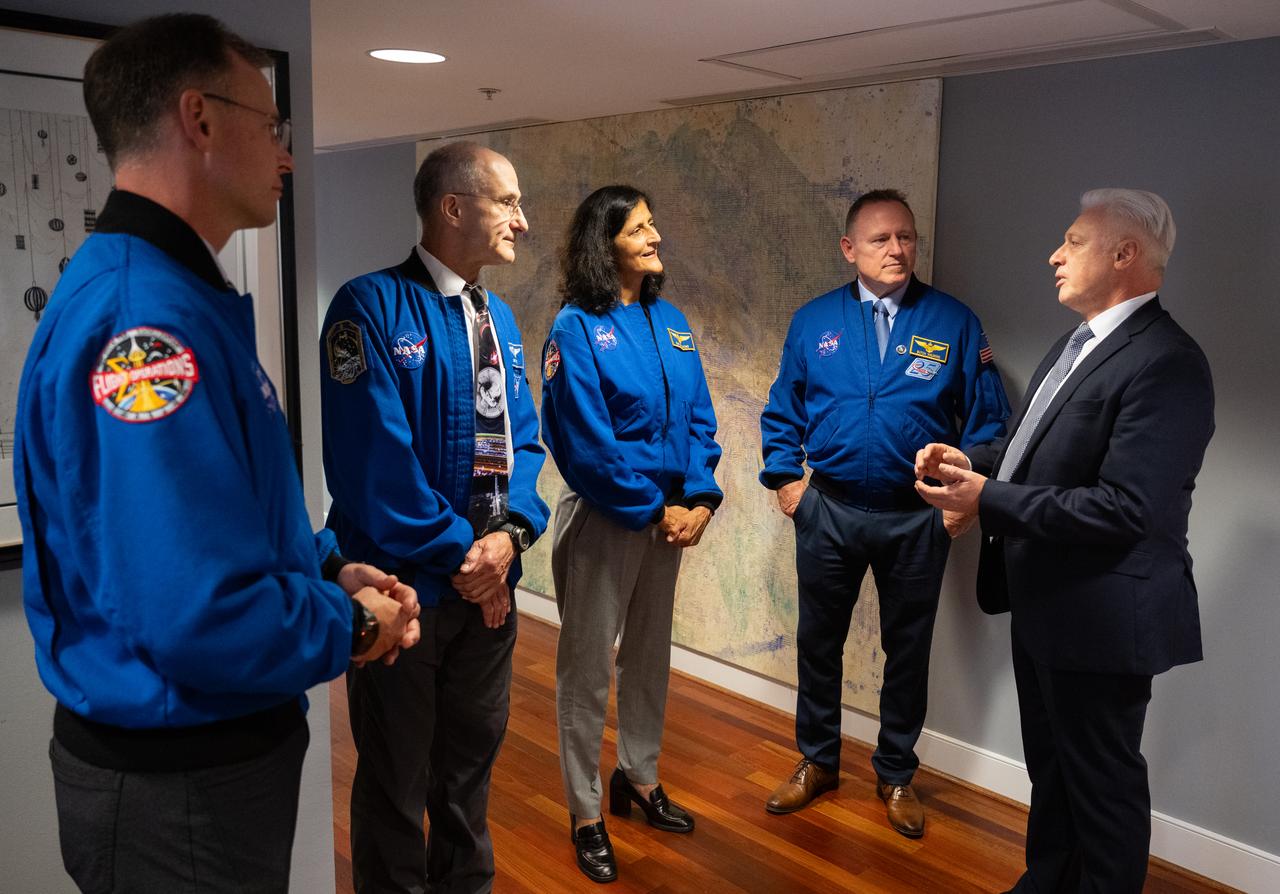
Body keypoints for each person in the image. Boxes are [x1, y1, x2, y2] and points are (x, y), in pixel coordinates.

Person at [12, 14, 420, 893]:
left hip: (200, 774)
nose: (287, 154)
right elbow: (194, 609)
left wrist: (328, 572)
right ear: (198, 120)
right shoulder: (146, 328)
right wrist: (349, 627)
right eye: (271, 125)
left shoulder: (176, 296)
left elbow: (227, 520)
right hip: (178, 794)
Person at [915, 189, 1214, 893]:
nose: (1054, 254)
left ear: (1124, 254)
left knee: (1102, 791)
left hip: (1104, 620)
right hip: (1047, 604)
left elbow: (1126, 510)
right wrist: (974, 463)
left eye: (1074, 241)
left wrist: (987, 498)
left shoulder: (1168, 362)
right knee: (1052, 773)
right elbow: (1032, 450)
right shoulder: (1078, 342)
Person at [320, 141, 550, 893]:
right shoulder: (368, 307)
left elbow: (527, 441)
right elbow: (376, 470)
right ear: (454, 208)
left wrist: (510, 542)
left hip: (487, 602)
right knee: (394, 786)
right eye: (507, 201)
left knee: (466, 784)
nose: (523, 218)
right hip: (405, 597)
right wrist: (468, 558)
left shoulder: (502, 321)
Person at [758, 189, 1010, 837]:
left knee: (908, 651)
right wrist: (789, 487)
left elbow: (990, 425)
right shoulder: (814, 322)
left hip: (915, 519)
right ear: (850, 249)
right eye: (880, 239)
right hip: (830, 512)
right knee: (819, 645)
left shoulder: (954, 322)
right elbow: (782, 411)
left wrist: (963, 501)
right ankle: (817, 761)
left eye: (906, 237)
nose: (897, 250)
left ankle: (896, 772)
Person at [539, 185, 723, 883]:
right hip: (610, 519)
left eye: (653, 223)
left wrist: (699, 499)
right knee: (585, 673)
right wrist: (654, 508)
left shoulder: (670, 321)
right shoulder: (575, 330)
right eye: (641, 227)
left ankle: (637, 779)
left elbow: (702, 418)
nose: (655, 235)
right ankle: (586, 811)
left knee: (648, 657)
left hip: (669, 521)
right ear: (604, 241)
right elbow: (584, 443)